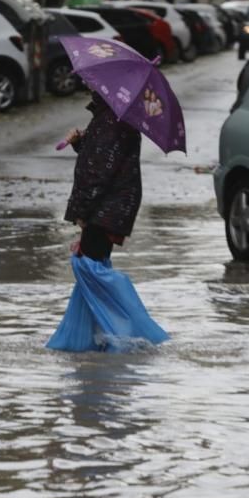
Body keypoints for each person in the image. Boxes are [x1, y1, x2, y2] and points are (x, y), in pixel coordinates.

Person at [46, 91, 169, 352]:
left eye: (90, 83)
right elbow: (101, 158)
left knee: (90, 268)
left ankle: (139, 333)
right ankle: (89, 339)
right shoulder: (109, 115)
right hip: (110, 206)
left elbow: (99, 173)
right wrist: (82, 142)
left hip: (107, 207)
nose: (86, 84)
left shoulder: (114, 119)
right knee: (91, 267)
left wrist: (82, 211)